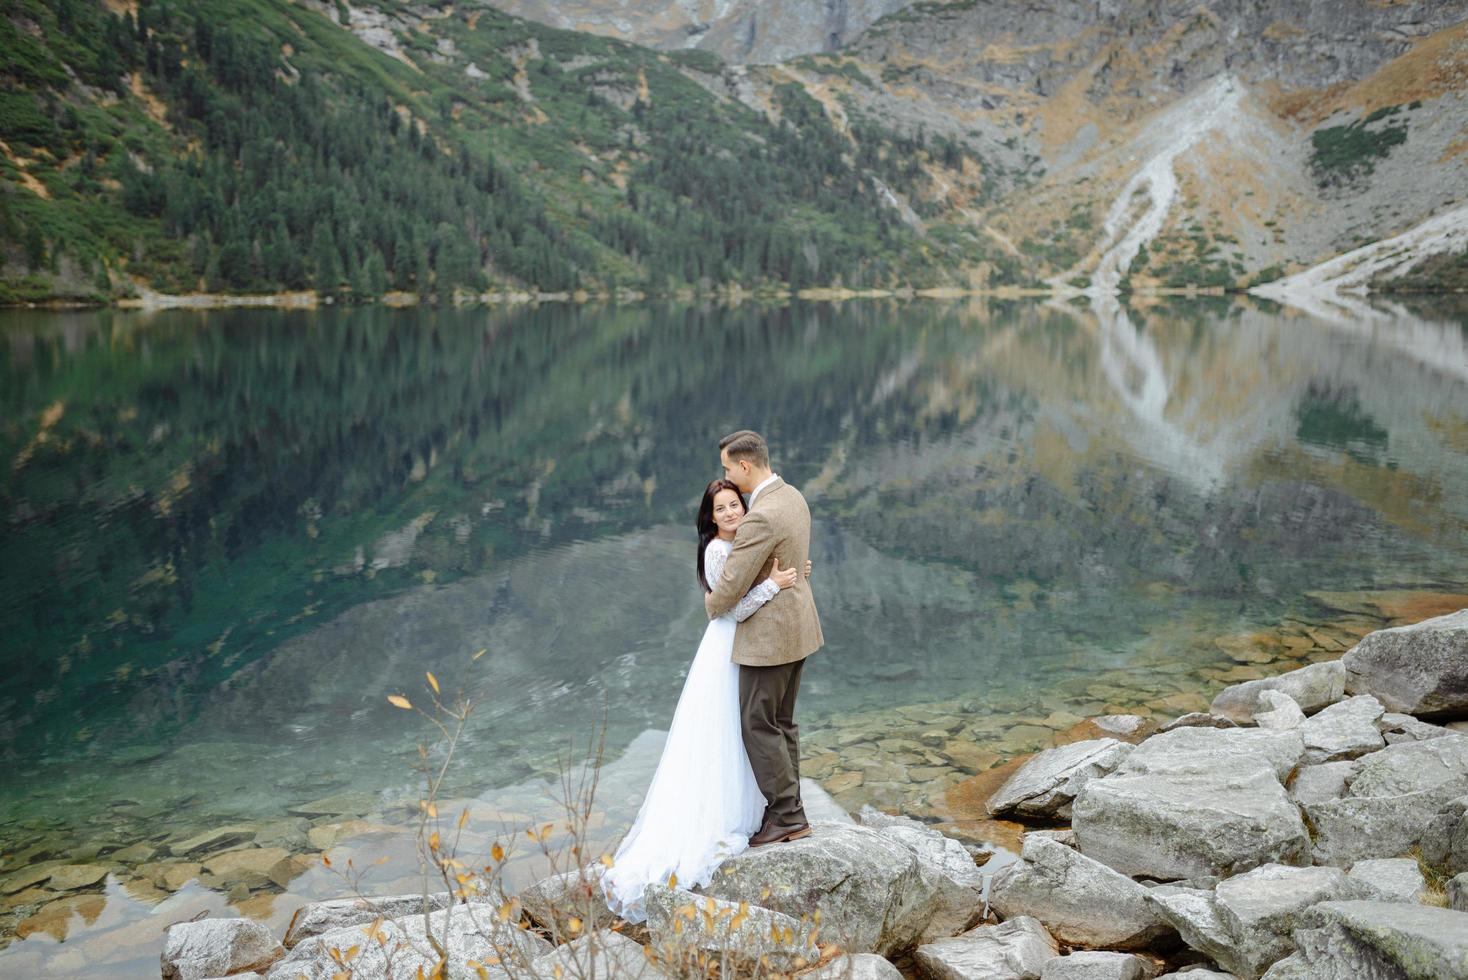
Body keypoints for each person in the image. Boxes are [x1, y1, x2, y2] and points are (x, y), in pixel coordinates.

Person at [599, 477, 813, 923]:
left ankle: (772, 809)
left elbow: (752, 577)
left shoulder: (747, 540)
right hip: (729, 647)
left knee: (750, 727)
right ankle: (751, 813)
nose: (731, 513)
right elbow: (729, 607)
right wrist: (774, 584)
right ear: (710, 517)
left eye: (735, 504)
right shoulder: (717, 551)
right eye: (722, 509)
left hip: (749, 644)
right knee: (731, 727)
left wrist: (789, 573)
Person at [705, 429, 824, 848]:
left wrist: (710, 600)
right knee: (782, 722)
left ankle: (788, 815)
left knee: (758, 723)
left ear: (744, 466)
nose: (727, 477)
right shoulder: (793, 497)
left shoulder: (761, 515)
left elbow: (730, 586)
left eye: (727, 469)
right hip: (800, 630)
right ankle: (790, 808)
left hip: (770, 639)